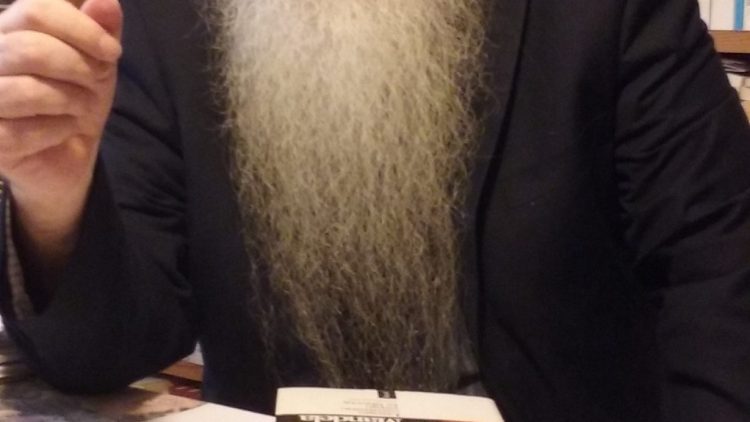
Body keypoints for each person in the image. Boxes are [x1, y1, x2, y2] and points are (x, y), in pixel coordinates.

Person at [0, 0, 749, 420]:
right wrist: (53, 195)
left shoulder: (609, 10)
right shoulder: (160, 20)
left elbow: (720, 273)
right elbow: (104, 355)